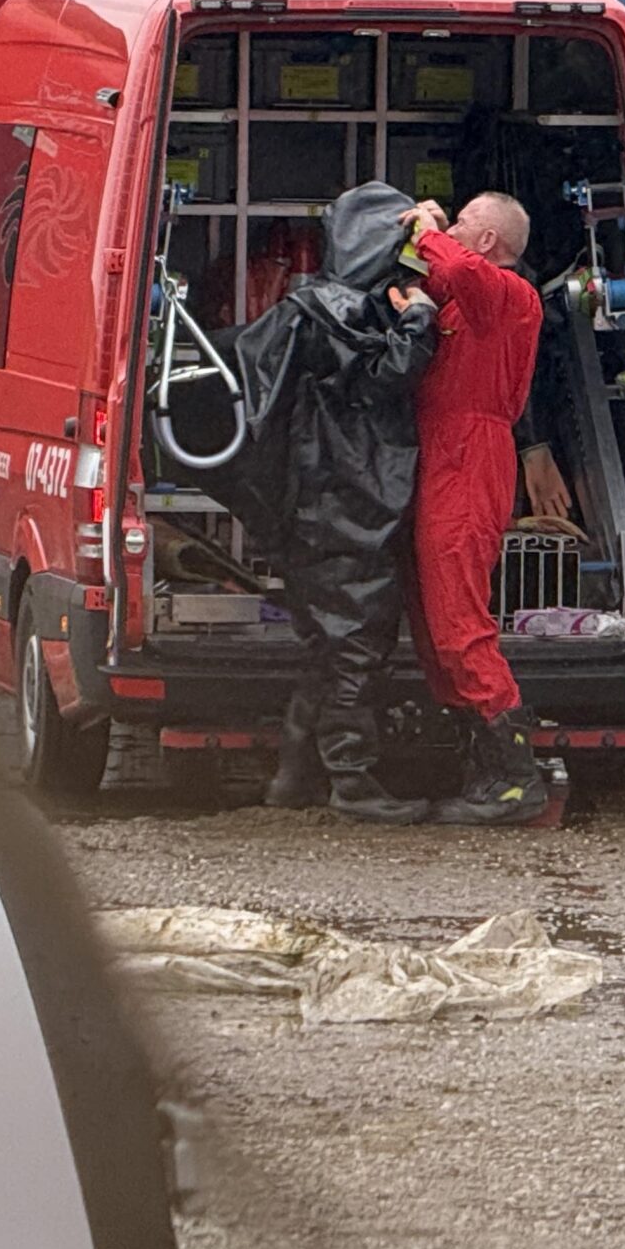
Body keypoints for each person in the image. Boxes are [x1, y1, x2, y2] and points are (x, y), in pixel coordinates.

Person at [213, 182, 441, 824]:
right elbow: (388, 376)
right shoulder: (346, 313)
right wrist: (420, 318)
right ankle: (352, 778)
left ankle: (295, 775)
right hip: (347, 499)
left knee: (326, 643)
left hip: (317, 497)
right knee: (355, 646)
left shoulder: (308, 307)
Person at [408, 191, 552, 825]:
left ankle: (516, 779)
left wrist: (426, 228)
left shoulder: (510, 296)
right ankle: (485, 767)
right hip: (447, 454)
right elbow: (444, 275)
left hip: (469, 458)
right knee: (437, 621)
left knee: (459, 622)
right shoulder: (469, 300)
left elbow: (458, 269)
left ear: (488, 240)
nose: (454, 226)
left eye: (464, 221)